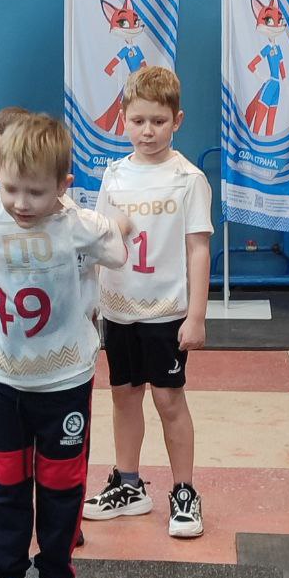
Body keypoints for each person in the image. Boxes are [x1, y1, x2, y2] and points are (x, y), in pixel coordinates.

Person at [0, 113, 128, 578]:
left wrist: (113, 228)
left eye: (36, 192)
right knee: (8, 478)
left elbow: (117, 251)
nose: (22, 203)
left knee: (61, 482)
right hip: (3, 376)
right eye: (11, 188)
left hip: (64, 379)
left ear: (63, 185)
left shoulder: (79, 224)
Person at [83, 65, 213, 538]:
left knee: (168, 398)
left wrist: (196, 315)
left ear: (177, 120)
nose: (148, 131)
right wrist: (91, 302)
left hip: (166, 312)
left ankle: (184, 491)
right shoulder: (114, 175)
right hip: (119, 309)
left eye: (158, 121)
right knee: (124, 395)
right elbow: (99, 241)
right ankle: (129, 484)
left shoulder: (188, 178)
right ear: (124, 119)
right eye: (138, 121)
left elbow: (198, 249)